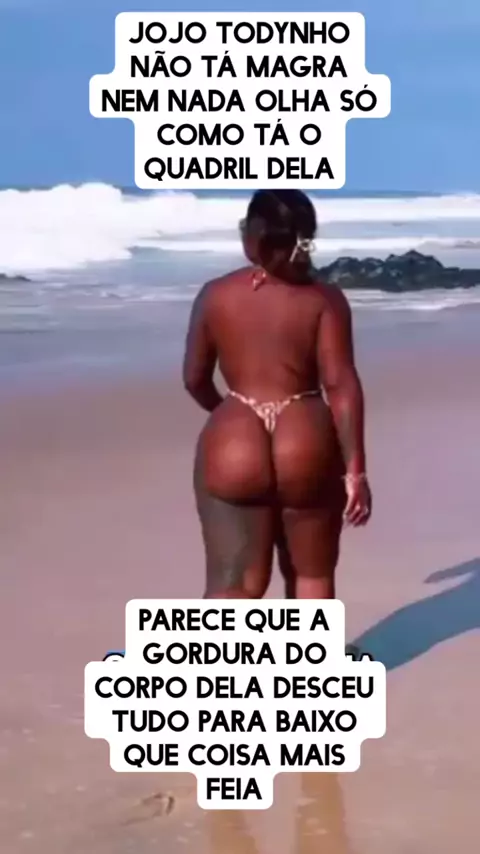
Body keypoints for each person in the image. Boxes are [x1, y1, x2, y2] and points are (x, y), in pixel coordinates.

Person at [183, 189, 372, 600]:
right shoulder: (325, 300)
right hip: (305, 437)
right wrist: (355, 472)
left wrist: (228, 415)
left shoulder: (215, 295)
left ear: (253, 236)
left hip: (235, 437)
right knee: (312, 575)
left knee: (235, 584)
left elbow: (194, 379)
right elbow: (341, 385)